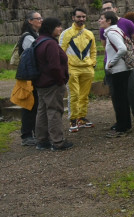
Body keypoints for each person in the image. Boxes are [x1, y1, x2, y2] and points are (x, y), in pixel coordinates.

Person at [33, 17, 74, 152]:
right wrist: (61, 79)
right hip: (52, 83)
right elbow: (54, 66)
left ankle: (42, 140)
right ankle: (57, 141)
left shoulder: (38, 41)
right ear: (51, 28)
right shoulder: (50, 44)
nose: (60, 29)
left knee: (42, 111)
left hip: (40, 82)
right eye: (58, 26)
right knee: (54, 111)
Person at [59, 8, 97, 133]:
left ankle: (81, 117)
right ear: (73, 18)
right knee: (74, 95)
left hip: (87, 69)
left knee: (84, 96)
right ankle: (73, 119)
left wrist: (92, 63)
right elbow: (60, 51)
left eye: (83, 17)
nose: (81, 19)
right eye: (79, 17)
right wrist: (64, 68)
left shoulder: (89, 34)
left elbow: (93, 50)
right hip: (72, 69)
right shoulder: (66, 33)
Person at [100, 11, 134, 137]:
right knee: (122, 98)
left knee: (120, 99)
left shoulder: (112, 32)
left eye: (102, 18)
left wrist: (111, 63)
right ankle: (124, 124)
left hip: (118, 70)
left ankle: (122, 127)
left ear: (109, 21)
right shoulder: (116, 30)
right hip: (122, 69)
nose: (100, 21)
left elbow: (122, 49)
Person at [14, 11, 42, 146]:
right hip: (28, 77)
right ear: (30, 21)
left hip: (32, 75)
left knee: (35, 104)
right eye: (38, 18)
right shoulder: (28, 37)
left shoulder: (35, 35)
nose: (41, 20)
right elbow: (34, 54)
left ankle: (36, 131)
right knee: (29, 105)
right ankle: (26, 135)